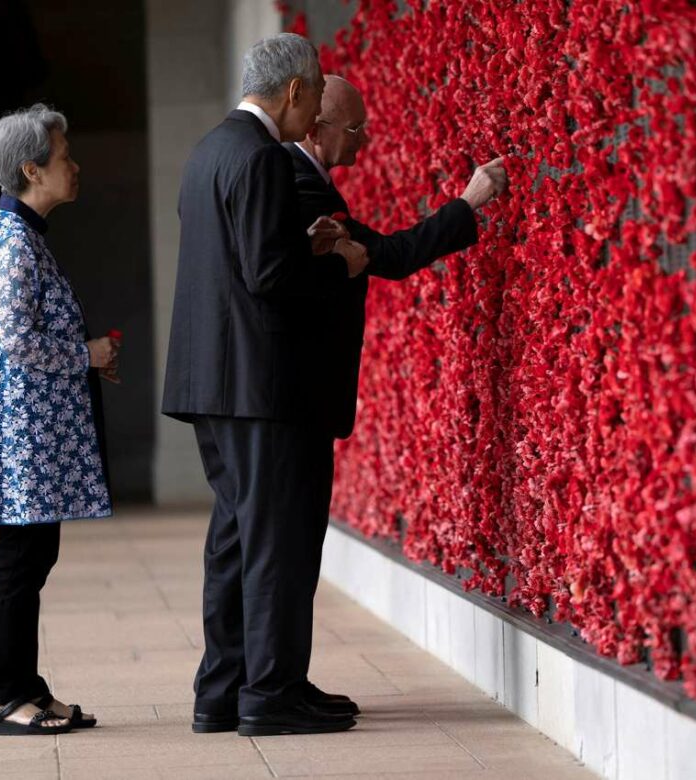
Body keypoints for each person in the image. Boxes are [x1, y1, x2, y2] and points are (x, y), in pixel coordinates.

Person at [161, 34, 369, 737]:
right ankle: (271, 694)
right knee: (277, 542)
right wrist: (337, 263)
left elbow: (235, 259)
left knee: (235, 540)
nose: (312, 111)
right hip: (259, 387)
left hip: (211, 382)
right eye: (313, 96)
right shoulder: (261, 158)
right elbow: (268, 276)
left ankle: (221, 692)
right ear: (294, 93)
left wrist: (297, 244)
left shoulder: (209, 150)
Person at [281, 73, 507, 693]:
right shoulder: (297, 183)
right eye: (355, 129)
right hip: (294, 396)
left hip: (296, 397)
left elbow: (377, 252)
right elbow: (389, 255)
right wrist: (468, 204)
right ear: (316, 126)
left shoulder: (310, 180)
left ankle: (267, 686)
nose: (365, 142)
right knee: (285, 546)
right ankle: (275, 688)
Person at [0, 104, 121, 735]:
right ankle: (0, 696)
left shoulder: (20, 236)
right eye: (64, 158)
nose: (74, 167)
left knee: (32, 554)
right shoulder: (13, 243)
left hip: (27, 429)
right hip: (16, 433)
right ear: (31, 169)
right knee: (21, 558)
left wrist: (84, 358)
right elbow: (17, 342)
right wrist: (87, 354)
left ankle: (23, 685)